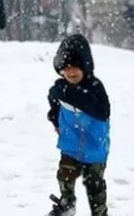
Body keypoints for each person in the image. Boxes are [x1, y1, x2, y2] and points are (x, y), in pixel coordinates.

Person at [46, 33, 110, 216]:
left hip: (94, 145)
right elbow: (54, 103)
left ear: (85, 67)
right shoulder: (60, 88)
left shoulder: (94, 87)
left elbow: (103, 112)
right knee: (65, 174)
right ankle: (67, 204)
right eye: (66, 69)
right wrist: (55, 120)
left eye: (75, 68)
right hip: (71, 142)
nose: (71, 73)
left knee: (94, 184)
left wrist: (74, 95)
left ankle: (100, 212)